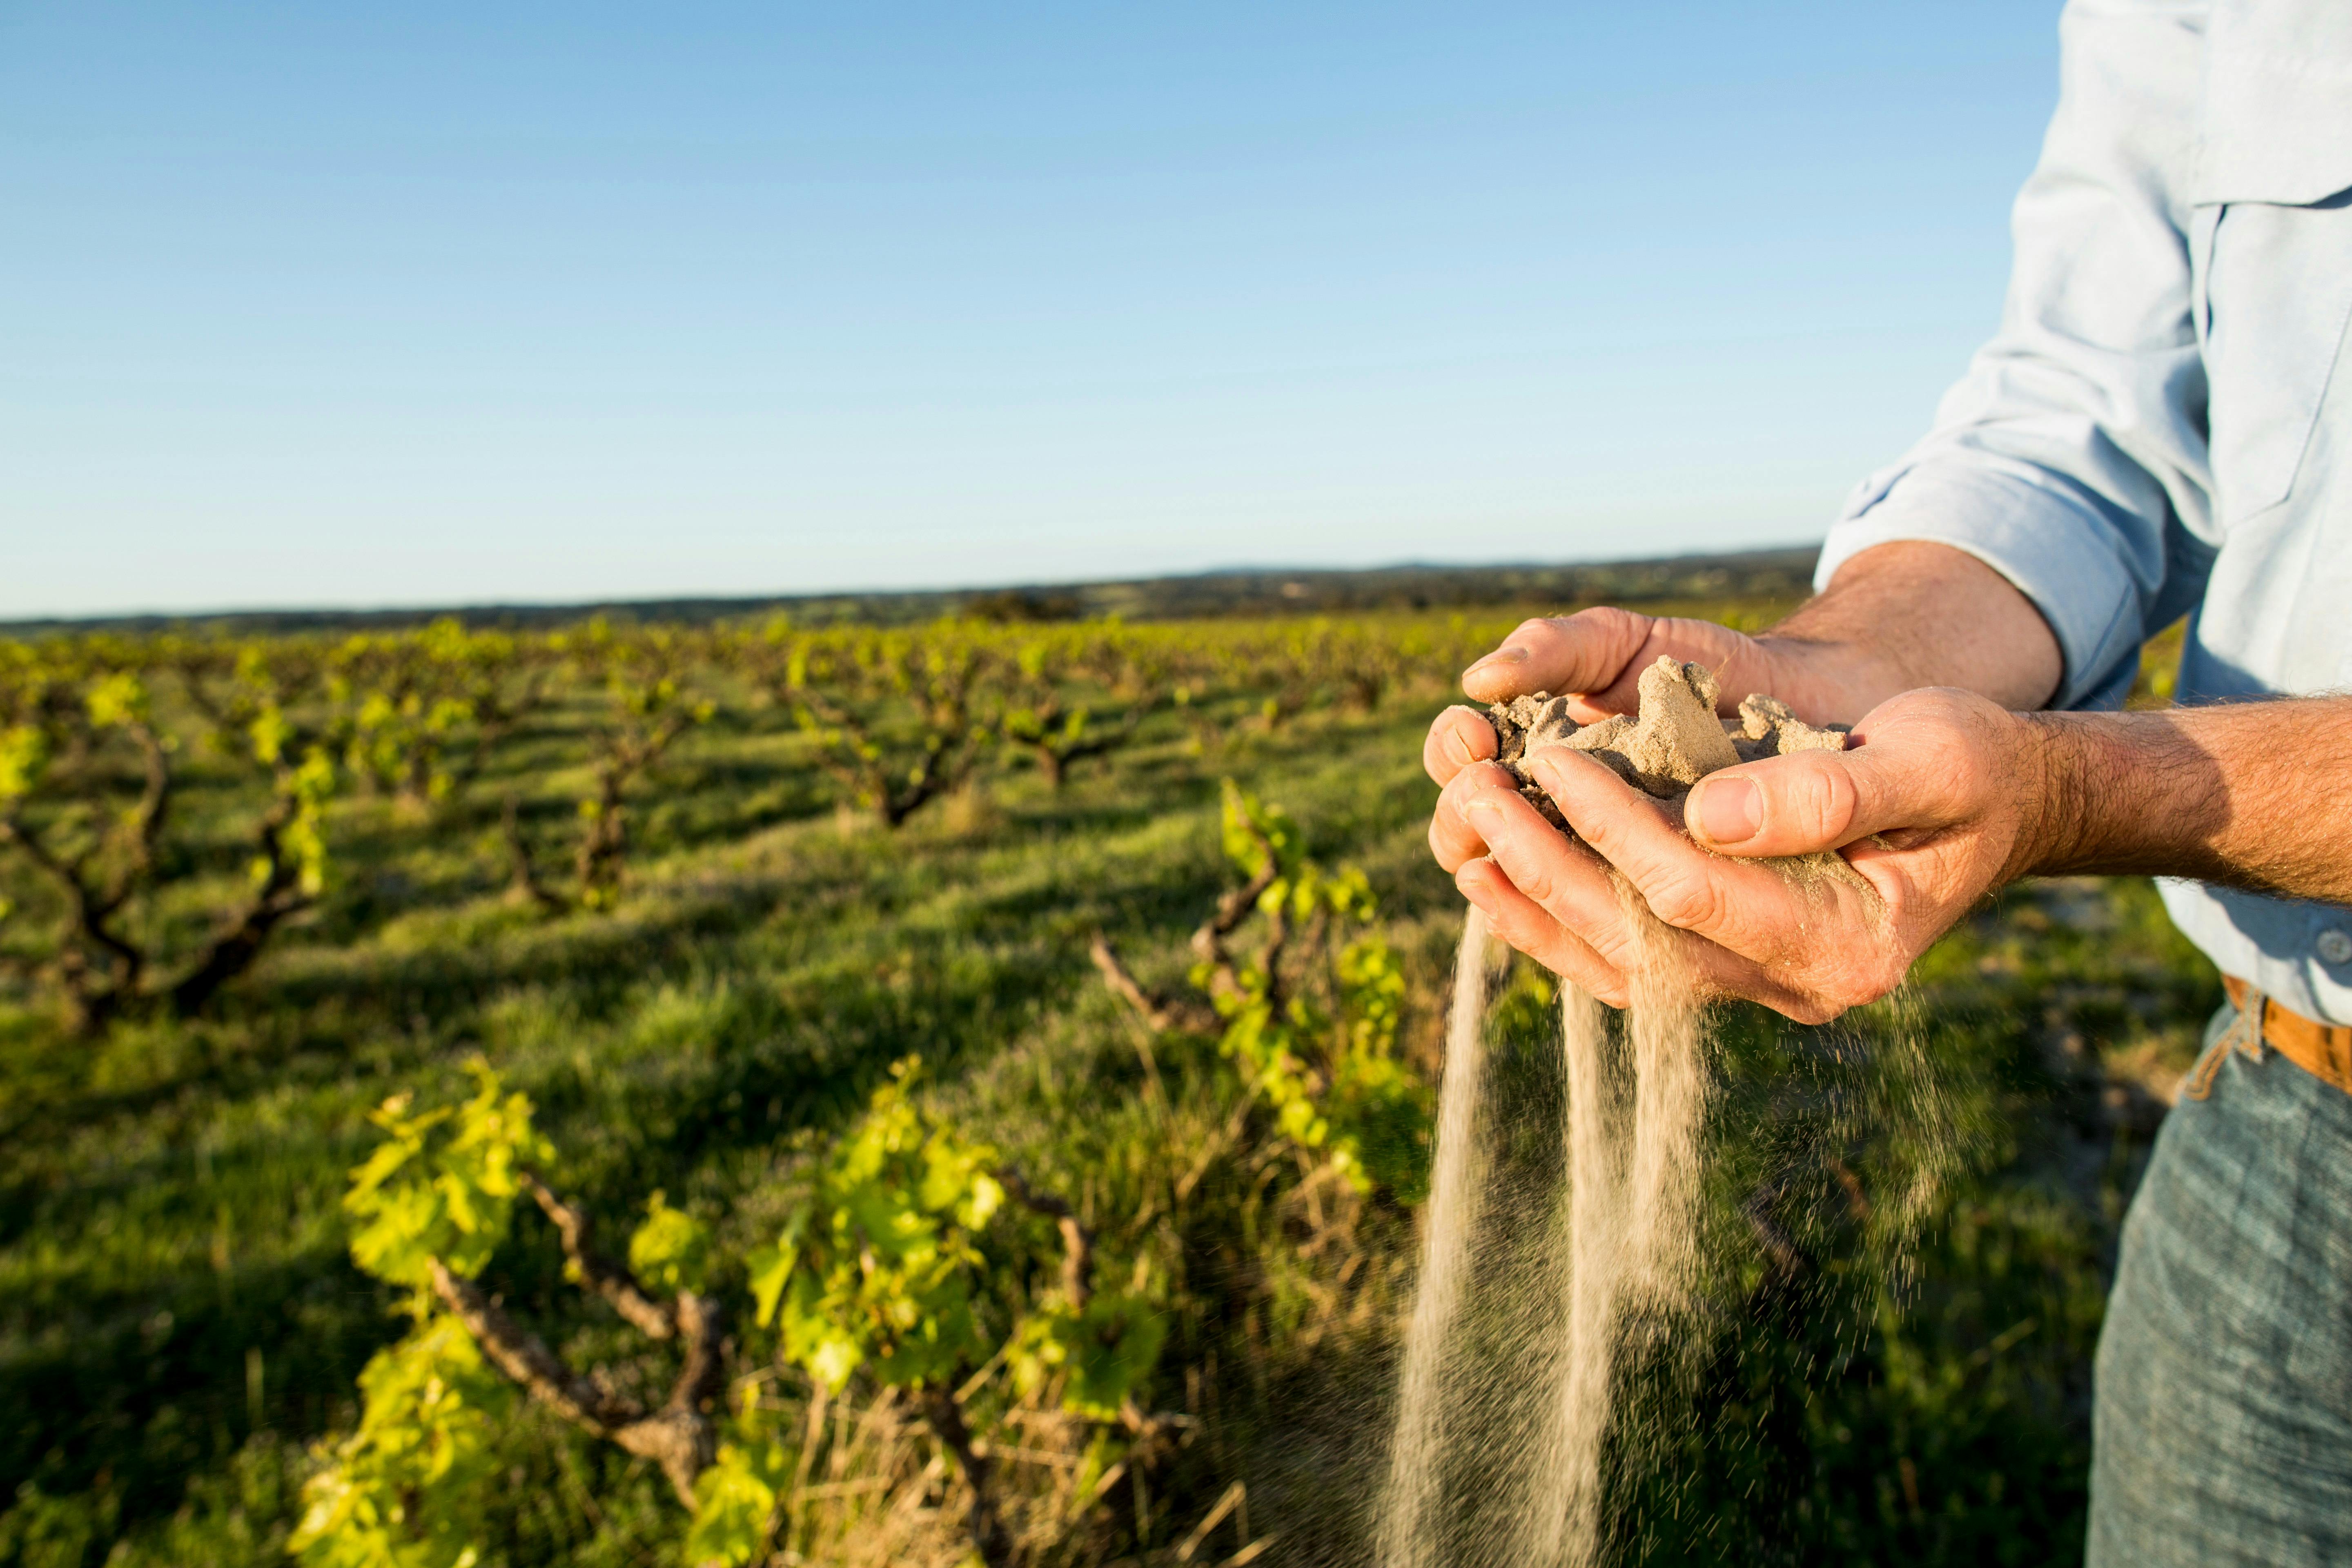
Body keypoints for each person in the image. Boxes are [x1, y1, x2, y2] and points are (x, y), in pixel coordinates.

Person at [1421, 3, 2352, 1563]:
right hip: (2295, 1122)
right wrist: (1838, 676)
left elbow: (2065, 769)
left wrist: (2072, 793)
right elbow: (2085, 429)